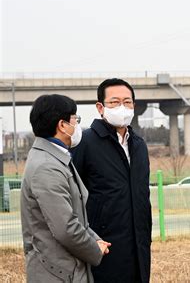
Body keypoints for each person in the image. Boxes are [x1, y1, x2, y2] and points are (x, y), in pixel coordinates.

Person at [21, 94, 110, 282]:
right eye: (75, 120)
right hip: (56, 272)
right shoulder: (47, 166)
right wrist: (94, 249)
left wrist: (94, 238)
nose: (77, 126)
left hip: (64, 268)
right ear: (62, 125)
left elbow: (75, 216)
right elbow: (65, 227)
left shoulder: (56, 158)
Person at [72, 78, 152, 282]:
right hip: (102, 247)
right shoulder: (85, 143)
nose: (122, 108)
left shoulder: (139, 145)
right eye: (115, 102)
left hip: (139, 247)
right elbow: (72, 196)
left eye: (127, 102)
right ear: (100, 107)